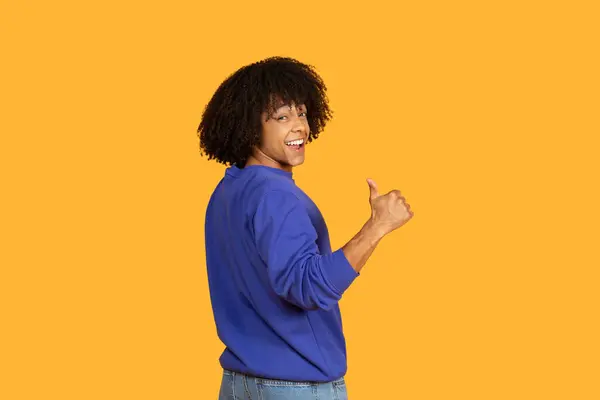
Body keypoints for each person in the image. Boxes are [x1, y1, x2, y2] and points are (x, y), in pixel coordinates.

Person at [197, 56, 413, 399]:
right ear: (250, 127)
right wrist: (377, 226)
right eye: (282, 117)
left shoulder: (228, 190)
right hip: (294, 386)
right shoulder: (276, 195)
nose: (299, 126)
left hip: (239, 383)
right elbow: (308, 287)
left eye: (301, 113)